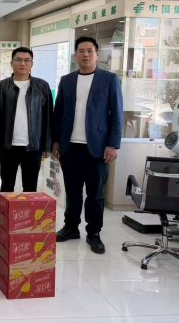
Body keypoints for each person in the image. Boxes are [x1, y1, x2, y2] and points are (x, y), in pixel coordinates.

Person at [53, 36, 123, 254]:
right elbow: (58, 113)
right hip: (70, 147)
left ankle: (94, 233)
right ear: (75, 55)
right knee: (72, 192)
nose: (85, 55)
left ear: (97, 54)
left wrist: (113, 144)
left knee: (95, 194)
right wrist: (56, 141)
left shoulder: (109, 79)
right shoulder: (66, 80)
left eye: (90, 51)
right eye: (81, 51)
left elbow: (117, 115)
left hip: (98, 148)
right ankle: (71, 227)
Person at [0, 46, 53, 192]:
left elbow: (48, 117)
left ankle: (28, 209)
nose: (22, 63)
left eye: (27, 60)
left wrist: (47, 145)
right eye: (18, 60)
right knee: (7, 185)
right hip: (8, 145)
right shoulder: (1, 87)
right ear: (11, 63)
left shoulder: (42, 86)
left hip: (33, 146)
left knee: (30, 186)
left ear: (32, 64)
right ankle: (5, 208)